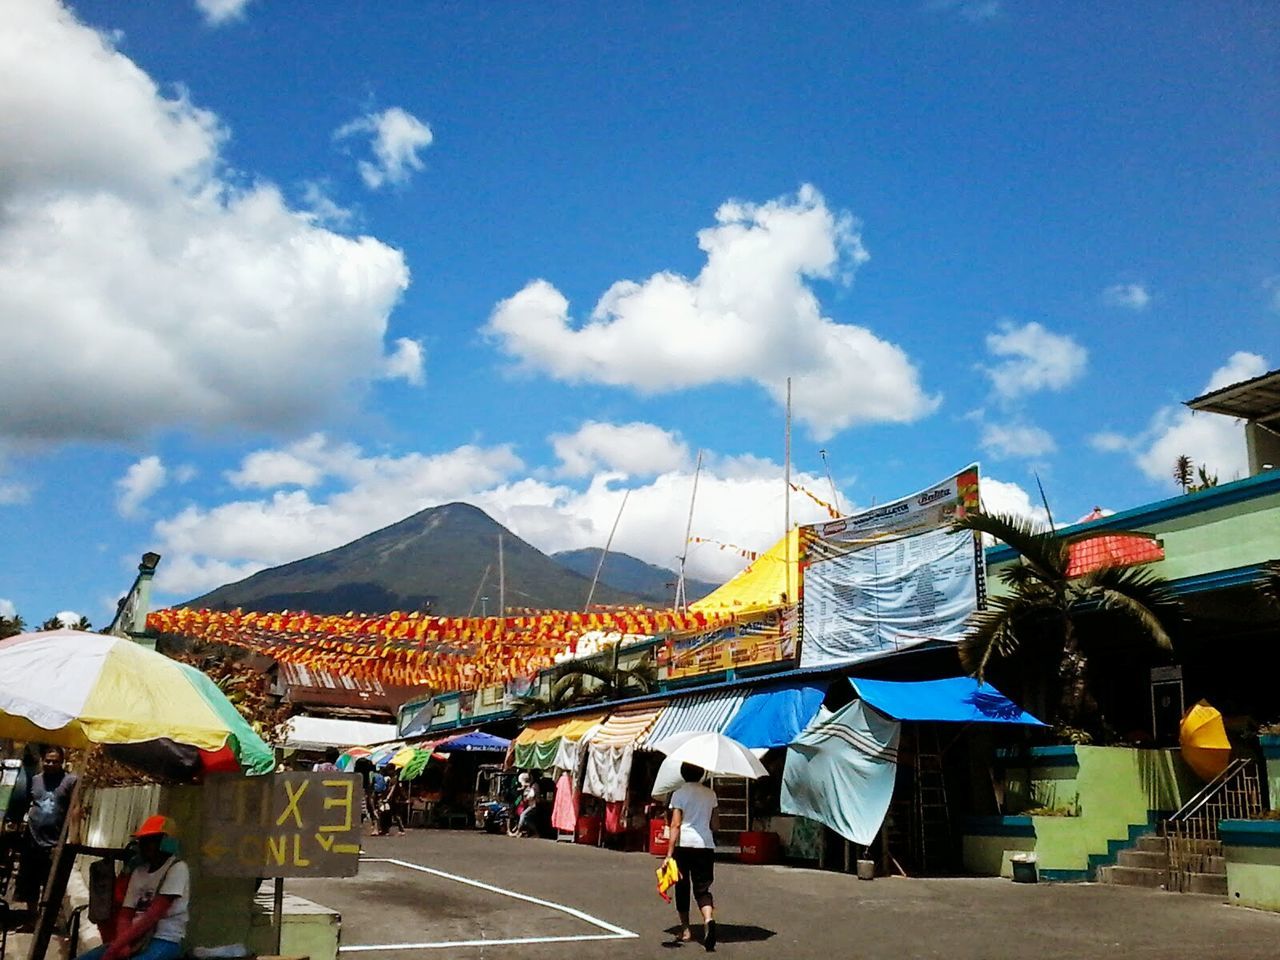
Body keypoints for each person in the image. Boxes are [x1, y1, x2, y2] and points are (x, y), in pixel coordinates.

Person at [76, 815, 189, 960]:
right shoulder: (139, 871)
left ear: (166, 843)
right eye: (142, 841)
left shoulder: (177, 868)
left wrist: (116, 947)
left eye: (150, 841)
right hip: (134, 937)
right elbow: (126, 913)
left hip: (164, 940)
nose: (143, 845)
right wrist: (122, 944)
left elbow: (153, 916)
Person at [4, 745, 78, 918]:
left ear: (62, 762)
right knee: (31, 882)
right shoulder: (35, 780)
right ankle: (32, 917)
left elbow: (75, 808)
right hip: (32, 839)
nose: (51, 764)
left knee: (50, 884)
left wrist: (74, 836)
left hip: (55, 842)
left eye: (55, 762)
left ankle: (45, 921)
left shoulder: (70, 781)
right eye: (48, 761)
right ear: (42, 761)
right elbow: (23, 803)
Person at [665, 763, 718, 951]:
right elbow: (715, 824)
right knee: (703, 889)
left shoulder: (678, 794)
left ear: (682, 774)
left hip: (684, 845)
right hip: (705, 845)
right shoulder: (710, 794)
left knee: (682, 887)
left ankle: (686, 930)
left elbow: (675, 824)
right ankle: (708, 919)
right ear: (702, 773)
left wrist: (669, 853)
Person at [514, 772, 540, 837]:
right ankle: (535, 833)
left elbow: (532, 795)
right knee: (527, 820)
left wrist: (527, 797)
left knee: (523, 815)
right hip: (529, 804)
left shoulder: (534, 785)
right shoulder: (530, 786)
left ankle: (518, 830)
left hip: (533, 805)